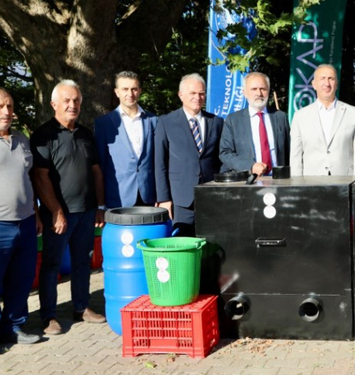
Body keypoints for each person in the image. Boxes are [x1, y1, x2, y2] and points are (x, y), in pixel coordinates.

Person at [31, 80, 107, 335]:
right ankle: (49, 316)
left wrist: (98, 206)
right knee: (52, 265)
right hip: (58, 216)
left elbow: (96, 171)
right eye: (67, 100)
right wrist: (56, 211)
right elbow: (40, 177)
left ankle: (81, 307)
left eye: (76, 100)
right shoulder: (44, 135)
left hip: (86, 212)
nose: (72, 105)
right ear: (54, 104)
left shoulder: (86, 134)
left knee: (83, 262)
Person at [155, 73, 224, 236]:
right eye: (192, 93)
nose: (198, 97)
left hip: (211, 196)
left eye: (201, 93)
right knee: (182, 245)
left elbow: (222, 159)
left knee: (211, 246)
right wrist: (164, 199)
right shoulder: (166, 122)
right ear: (181, 95)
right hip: (181, 199)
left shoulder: (217, 122)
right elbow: (159, 163)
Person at [0, 88, 42, 345]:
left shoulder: (22, 139)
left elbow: (30, 180)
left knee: (21, 278)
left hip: (25, 223)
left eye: (10, 106)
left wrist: (36, 213)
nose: (6, 112)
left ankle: (13, 327)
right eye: (1, 106)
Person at [290, 64, 355, 176]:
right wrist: (297, 186)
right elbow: (295, 157)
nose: (327, 83)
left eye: (331, 79)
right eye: (322, 78)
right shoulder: (300, 116)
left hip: (345, 183)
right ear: (314, 84)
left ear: (336, 84)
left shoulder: (354, 113)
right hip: (311, 184)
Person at [94, 71, 158, 208]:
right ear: (117, 92)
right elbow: (100, 165)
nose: (130, 94)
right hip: (117, 197)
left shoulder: (154, 121)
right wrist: (100, 203)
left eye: (134, 89)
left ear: (140, 91)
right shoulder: (104, 124)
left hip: (148, 197)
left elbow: (159, 161)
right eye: (125, 89)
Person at [219, 72, 290, 175]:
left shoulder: (280, 117)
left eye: (263, 89)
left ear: (268, 91)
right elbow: (225, 153)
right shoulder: (233, 120)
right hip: (247, 181)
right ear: (244, 93)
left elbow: (289, 151)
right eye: (254, 89)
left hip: (278, 180)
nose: (259, 93)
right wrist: (250, 167)